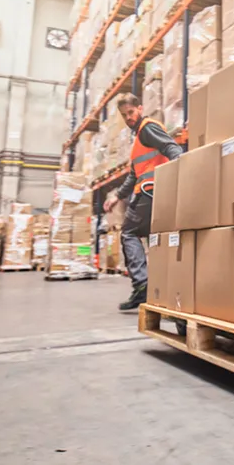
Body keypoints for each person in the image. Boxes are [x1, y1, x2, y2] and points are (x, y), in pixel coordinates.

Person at [103, 93, 182, 311]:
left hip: (150, 192)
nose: (128, 117)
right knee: (154, 240)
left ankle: (141, 285)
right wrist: (117, 197)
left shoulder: (147, 128)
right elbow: (133, 174)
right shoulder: (138, 138)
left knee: (129, 232)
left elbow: (171, 147)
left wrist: (183, 170)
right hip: (151, 190)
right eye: (124, 115)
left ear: (140, 108)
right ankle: (159, 290)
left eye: (131, 112)